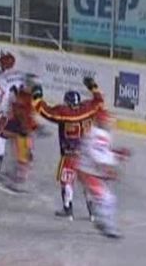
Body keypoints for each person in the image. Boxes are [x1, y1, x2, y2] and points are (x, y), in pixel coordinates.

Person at [33, 77, 104, 220]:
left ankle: (68, 209)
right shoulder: (88, 108)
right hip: (87, 154)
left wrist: (37, 95)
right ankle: (93, 213)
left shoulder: (63, 112)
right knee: (88, 182)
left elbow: (44, 110)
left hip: (70, 154)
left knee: (67, 182)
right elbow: (99, 101)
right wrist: (93, 87)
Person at [76, 109, 130, 238]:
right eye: (107, 120)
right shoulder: (99, 134)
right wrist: (113, 162)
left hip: (89, 172)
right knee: (107, 199)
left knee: (105, 199)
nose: (109, 123)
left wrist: (115, 155)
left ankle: (102, 219)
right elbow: (98, 156)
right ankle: (105, 224)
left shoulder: (96, 133)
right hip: (89, 173)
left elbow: (101, 153)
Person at [0, 53, 26, 171]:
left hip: (10, 112)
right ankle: (23, 160)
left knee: (1, 134)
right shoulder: (21, 75)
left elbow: (0, 100)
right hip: (23, 111)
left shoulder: (0, 79)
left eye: (1, 63)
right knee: (20, 135)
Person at [0, 74, 39, 192]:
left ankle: (14, 174)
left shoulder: (23, 96)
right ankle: (17, 177)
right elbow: (22, 115)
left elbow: (23, 114)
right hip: (21, 129)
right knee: (22, 153)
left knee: (21, 152)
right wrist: (30, 127)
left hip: (19, 128)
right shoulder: (24, 98)